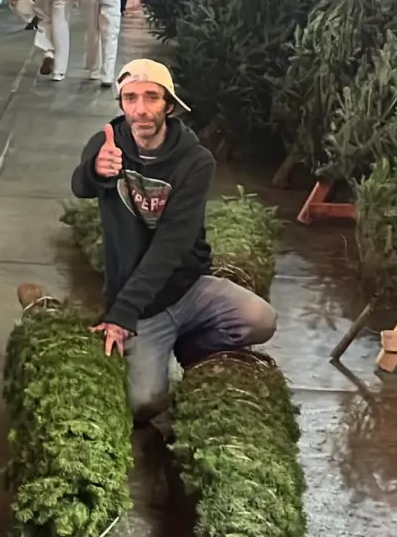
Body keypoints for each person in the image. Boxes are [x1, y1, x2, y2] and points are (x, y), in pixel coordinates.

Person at [70, 59, 277, 424]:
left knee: (259, 319)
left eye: (152, 97)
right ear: (121, 104)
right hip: (144, 308)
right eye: (131, 98)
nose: (140, 109)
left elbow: (173, 242)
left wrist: (122, 313)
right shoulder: (106, 144)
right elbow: (80, 187)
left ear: (169, 104)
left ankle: (190, 345)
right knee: (144, 404)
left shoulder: (195, 161)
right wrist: (94, 169)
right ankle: (160, 344)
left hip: (188, 287)